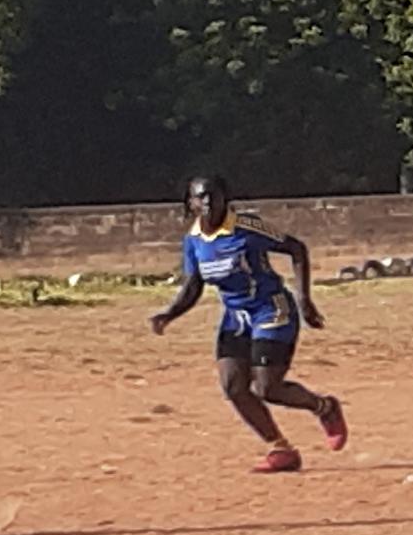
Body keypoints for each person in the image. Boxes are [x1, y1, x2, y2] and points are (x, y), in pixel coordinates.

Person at [148, 177, 348, 472]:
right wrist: (169, 313)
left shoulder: (246, 227)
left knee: (267, 387)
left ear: (225, 199)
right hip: (236, 317)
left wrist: (304, 298)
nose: (207, 203)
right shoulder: (193, 241)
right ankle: (281, 450)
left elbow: (296, 248)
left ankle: (325, 408)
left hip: (271, 308)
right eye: (199, 198)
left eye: (212, 197)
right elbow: (194, 285)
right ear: (189, 204)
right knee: (233, 385)